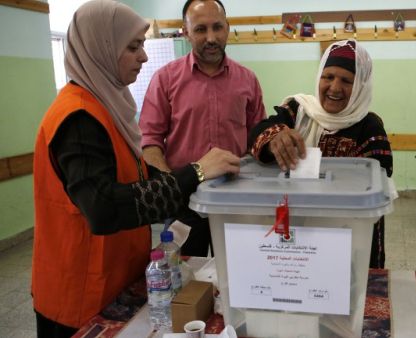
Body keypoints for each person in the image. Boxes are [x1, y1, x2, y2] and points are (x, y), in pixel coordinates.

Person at [31, 1, 240, 337]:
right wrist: (197, 171)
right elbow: (105, 208)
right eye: (133, 47)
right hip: (78, 295)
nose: (143, 56)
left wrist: (210, 187)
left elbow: (142, 179)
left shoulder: (106, 110)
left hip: (116, 282)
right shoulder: (78, 119)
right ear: (101, 48)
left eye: (142, 45)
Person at [248, 40, 393, 269]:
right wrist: (276, 137)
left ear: (360, 87)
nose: (335, 88)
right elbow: (257, 133)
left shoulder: (369, 127)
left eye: (346, 81)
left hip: (347, 237)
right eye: (328, 77)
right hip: (299, 230)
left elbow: (379, 177)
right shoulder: (298, 112)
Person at [139, 0, 266, 257]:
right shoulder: (165, 79)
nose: (211, 38)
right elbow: (150, 141)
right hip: (183, 202)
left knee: (240, 277)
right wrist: (170, 187)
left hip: (236, 201)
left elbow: (258, 139)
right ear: (186, 32)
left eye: (217, 27)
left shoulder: (248, 80)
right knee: (184, 282)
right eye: (200, 29)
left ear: (227, 28)